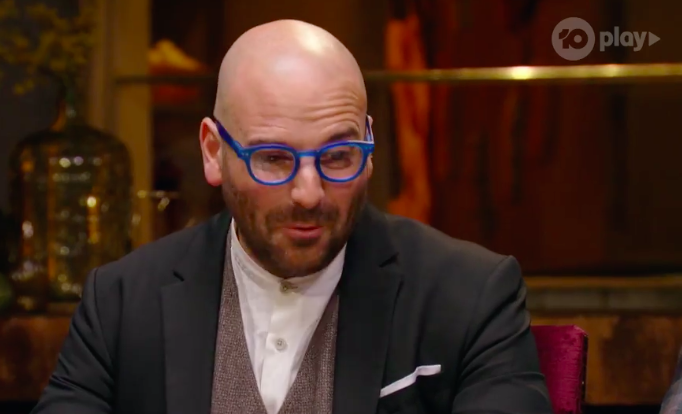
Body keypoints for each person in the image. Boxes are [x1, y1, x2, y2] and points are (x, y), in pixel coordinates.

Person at [32, 19, 552, 414]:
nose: (309, 193)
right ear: (213, 152)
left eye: (338, 156)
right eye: (274, 158)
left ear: (370, 145)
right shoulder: (120, 302)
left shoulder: (472, 294)